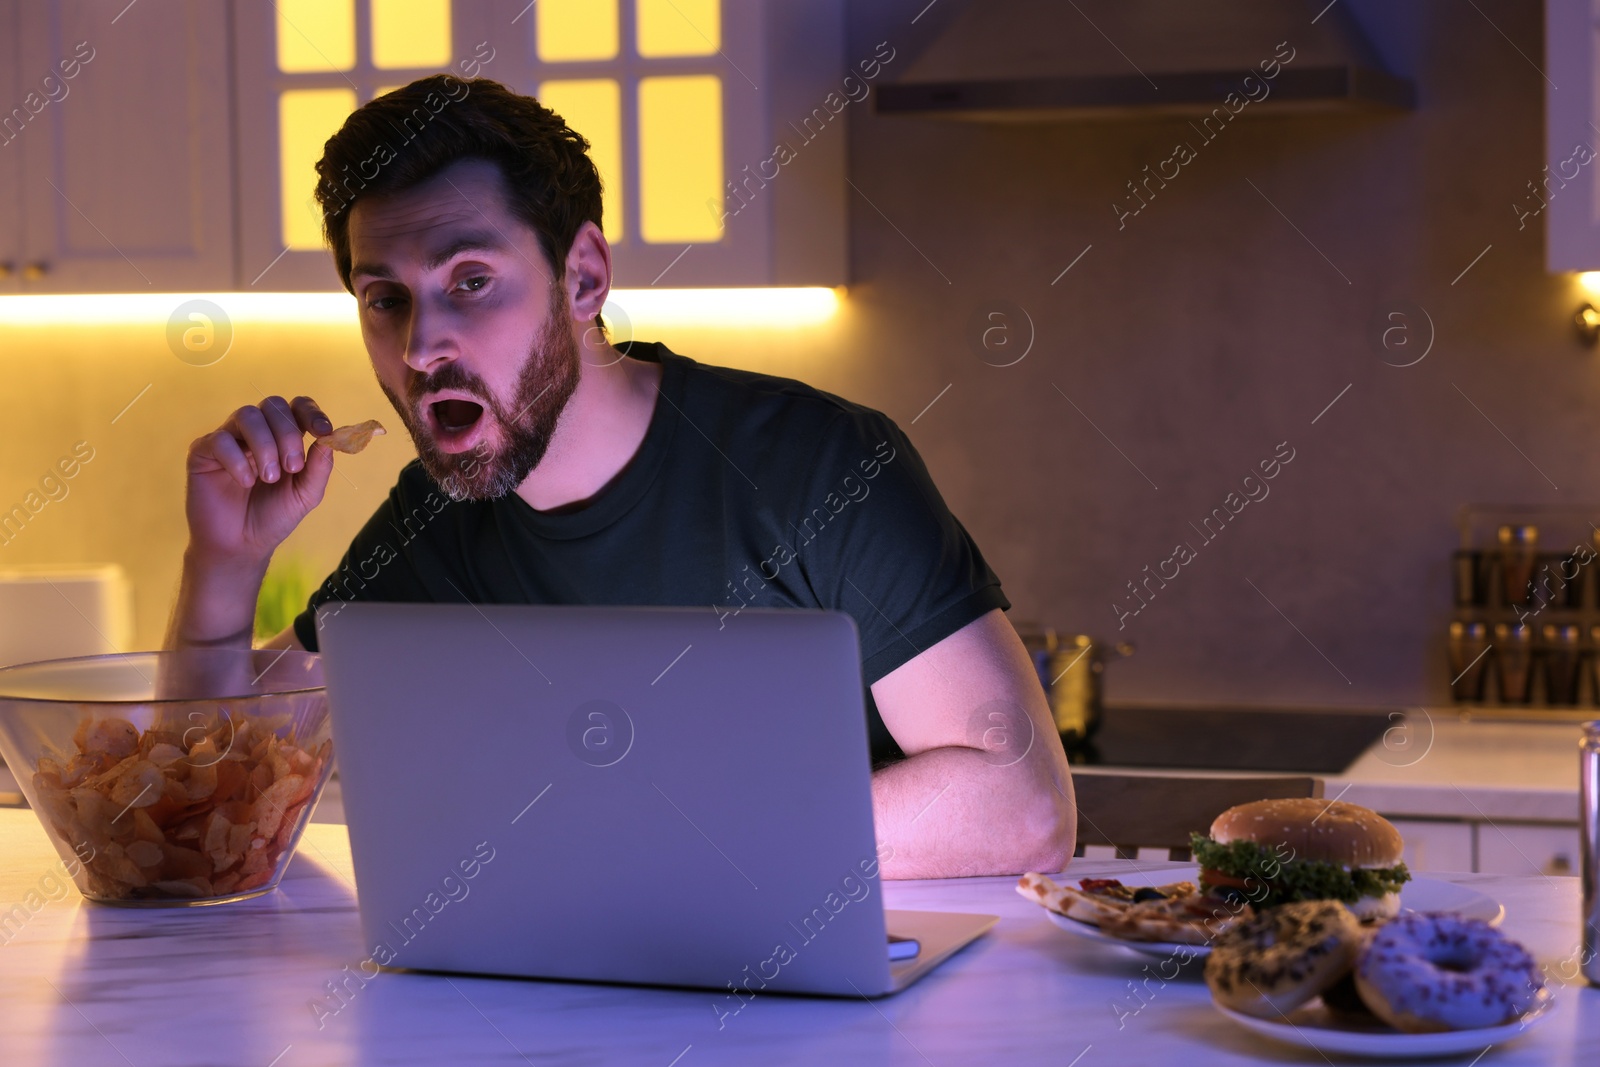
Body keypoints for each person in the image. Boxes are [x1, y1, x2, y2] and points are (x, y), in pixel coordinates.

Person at [164, 76, 1074, 879]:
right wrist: (224, 560)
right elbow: (199, 791)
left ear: (585, 276)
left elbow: (1024, 807)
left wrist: (637, 836)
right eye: (384, 299)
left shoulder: (817, 465)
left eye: (471, 280)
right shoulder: (430, 524)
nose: (421, 345)